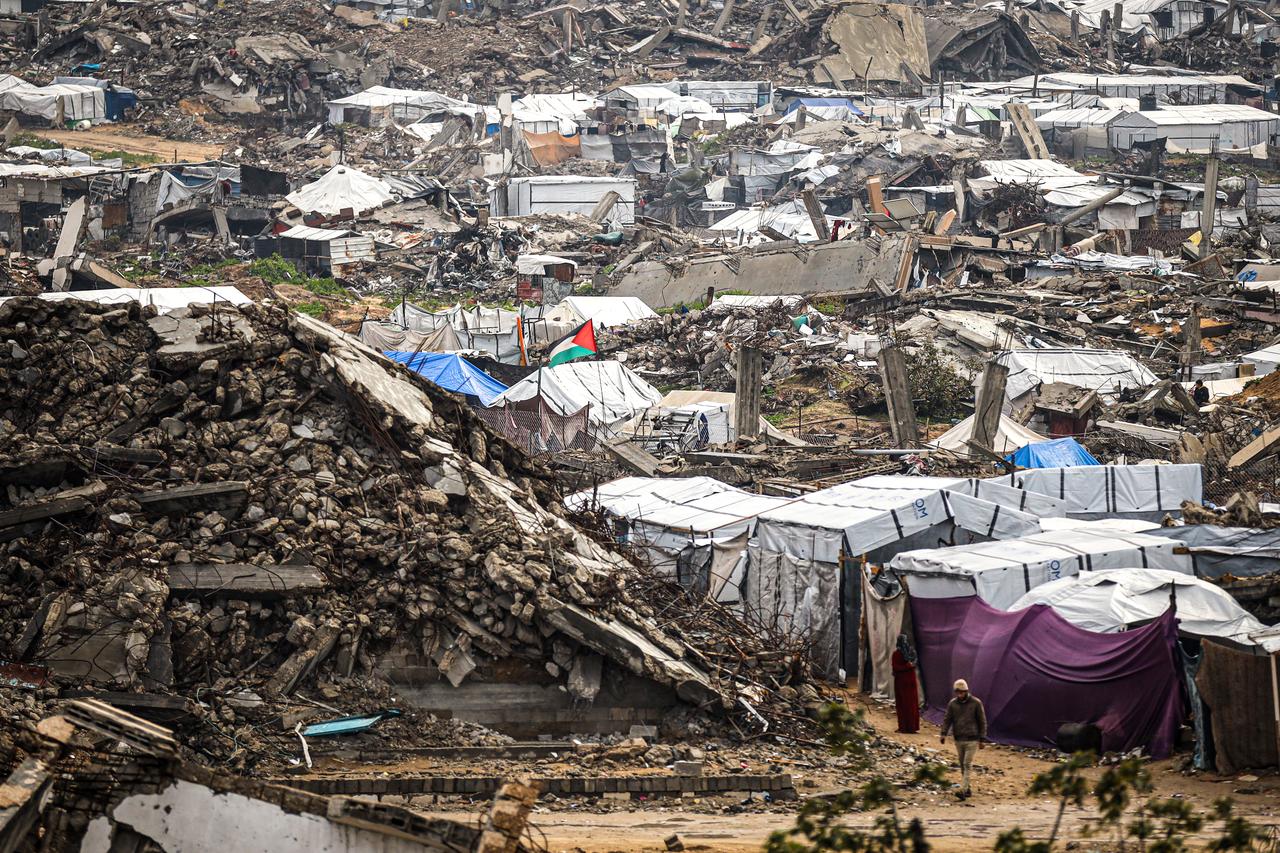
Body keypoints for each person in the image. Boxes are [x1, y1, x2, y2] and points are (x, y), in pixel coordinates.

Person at [940, 678, 986, 799]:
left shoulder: (976, 703)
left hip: (972, 739)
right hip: (959, 739)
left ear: (966, 691)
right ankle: (968, 789)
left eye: (962, 692)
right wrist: (943, 733)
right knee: (962, 764)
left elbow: (982, 721)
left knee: (967, 764)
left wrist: (982, 739)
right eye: (958, 692)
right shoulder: (953, 704)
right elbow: (947, 719)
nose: (960, 694)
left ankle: (963, 790)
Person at [891, 633, 920, 734]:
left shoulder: (896, 654)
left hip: (901, 682)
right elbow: (914, 663)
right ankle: (912, 727)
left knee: (902, 704)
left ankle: (903, 727)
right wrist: (909, 666)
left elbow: (895, 667)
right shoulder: (911, 652)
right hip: (911, 681)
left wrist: (905, 667)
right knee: (912, 704)